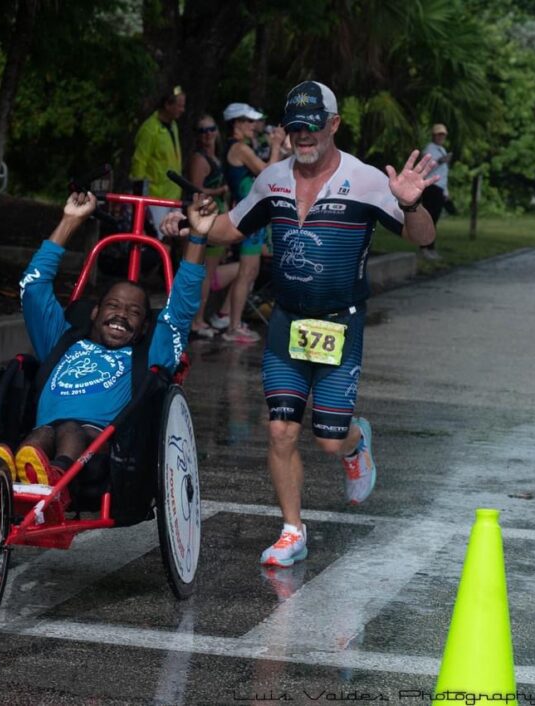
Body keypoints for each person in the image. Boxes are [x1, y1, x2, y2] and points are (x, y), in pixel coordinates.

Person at [179, 80, 438, 567]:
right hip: (286, 323)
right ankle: (291, 530)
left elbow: (421, 238)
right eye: (294, 127)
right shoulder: (272, 178)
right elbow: (233, 226)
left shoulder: (364, 180)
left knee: (328, 438)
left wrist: (409, 202)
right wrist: (195, 223)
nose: (303, 136)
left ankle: (356, 442)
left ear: (333, 125)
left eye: (312, 126)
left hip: (341, 323)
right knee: (280, 431)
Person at [0, 191, 207, 507]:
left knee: (71, 428)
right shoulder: (63, 342)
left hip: (102, 451)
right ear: (94, 313)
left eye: (134, 312)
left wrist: (197, 237)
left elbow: (181, 307)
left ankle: (58, 478)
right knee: (42, 435)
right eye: (113, 306)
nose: (121, 316)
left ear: (144, 327)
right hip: (45, 435)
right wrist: (70, 221)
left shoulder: (147, 355)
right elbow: (32, 288)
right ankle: (10, 469)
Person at [220, 102, 284, 343]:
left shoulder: (245, 146)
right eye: (248, 122)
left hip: (251, 217)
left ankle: (233, 321)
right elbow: (268, 174)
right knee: (246, 272)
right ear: (236, 123)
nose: (254, 126)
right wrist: (276, 144)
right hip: (245, 216)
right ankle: (232, 326)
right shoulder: (239, 149)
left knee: (252, 272)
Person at [187, 114, 237, 338]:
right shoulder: (200, 159)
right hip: (205, 218)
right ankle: (196, 321)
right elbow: (195, 190)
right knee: (203, 273)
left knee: (208, 272)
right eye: (201, 131)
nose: (207, 134)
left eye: (210, 129)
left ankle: (200, 318)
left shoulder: (215, 157)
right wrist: (219, 192)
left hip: (216, 217)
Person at [130, 85, 186, 230]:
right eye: (179, 106)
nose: (182, 110)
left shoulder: (173, 125)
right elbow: (139, 161)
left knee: (173, 234)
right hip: (156, 196)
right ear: (168, 105)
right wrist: (141, 194)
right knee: (158, 235)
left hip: (173, 193)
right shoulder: (150, 129)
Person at [419, 123, 452, 259]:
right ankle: (424, 247)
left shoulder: (441, 150)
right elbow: (426, 168)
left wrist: (446, 191)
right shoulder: (430, 150)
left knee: (434, 220)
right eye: (438, 134)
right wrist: (440, 161)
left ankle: (430, 247)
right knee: (429, 219)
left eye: (442, 135)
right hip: (431, 187)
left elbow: (444, 173)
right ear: (433, 135)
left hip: (439, 188)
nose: (441, 137)